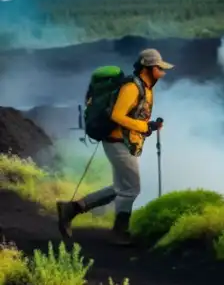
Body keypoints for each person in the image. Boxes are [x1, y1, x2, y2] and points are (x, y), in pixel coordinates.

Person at [57, 48, 172, 245]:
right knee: (132, 188)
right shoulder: (132, 88)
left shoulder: (145, 88)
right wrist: (144, 126)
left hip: (127, 142)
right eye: (159, 68)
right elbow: (117, 116)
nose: (162, 73)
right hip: (117, 143)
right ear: (148, 68)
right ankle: (119, 231)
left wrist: (149, 127)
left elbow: (135, 116)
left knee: (120, 188)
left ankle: (72, 209)